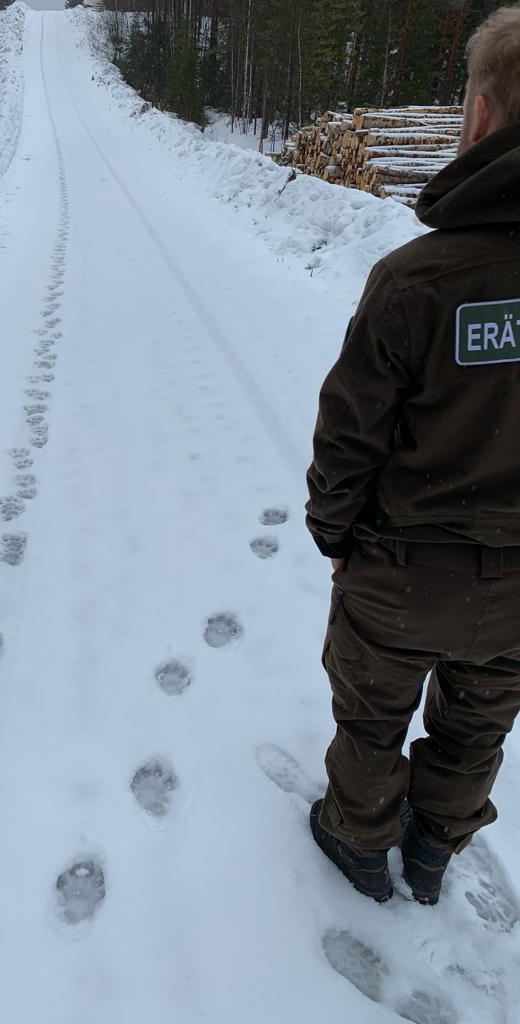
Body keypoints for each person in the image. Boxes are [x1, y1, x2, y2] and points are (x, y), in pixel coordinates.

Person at [305, 4, 520, 905]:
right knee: (476, 728)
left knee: (371, 714)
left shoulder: (419, 279)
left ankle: (360, 838)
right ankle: (435, 847)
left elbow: (351, 428)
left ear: (478, 115)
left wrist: (335, 533)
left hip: (399, 572)